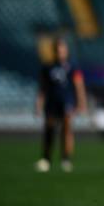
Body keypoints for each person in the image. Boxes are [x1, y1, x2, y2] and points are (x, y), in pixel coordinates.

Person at [35, 38, 87, 173]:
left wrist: (81, 102)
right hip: (51, 101)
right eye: (58, 50)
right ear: (54, 51)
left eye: (63, 50)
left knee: (67, 129)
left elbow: (79, 84)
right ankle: (46, 159)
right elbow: (43, 87)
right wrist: (39, 103)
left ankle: (66, 159)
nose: (60, 53)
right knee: (49, 130)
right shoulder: (47, 67)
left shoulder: (73, 66)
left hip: (67, 101)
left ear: (66, 51)